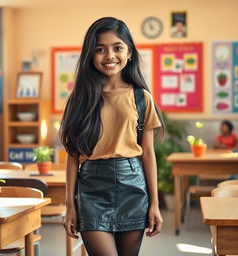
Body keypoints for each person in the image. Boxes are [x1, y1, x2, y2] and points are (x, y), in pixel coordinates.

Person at [60, 17, 164, 256]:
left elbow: (148, 153)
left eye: (117, 47)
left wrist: (155, 205)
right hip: (91, 189)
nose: (109, 55)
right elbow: (73, 156)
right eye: (100, 49)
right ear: (90, 55)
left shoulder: (141, 98)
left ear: (129, 53)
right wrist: (70, 206)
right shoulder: (80, 100)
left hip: (133, 187)